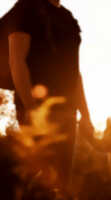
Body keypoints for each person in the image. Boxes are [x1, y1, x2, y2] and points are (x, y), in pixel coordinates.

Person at [7, 0, 94, 189]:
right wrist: (32, 109)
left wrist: (85, 115)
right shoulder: (26, 8)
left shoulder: (68, 18)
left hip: (68, 110)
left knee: (62, 183)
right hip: (39, 108)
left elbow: (74, 71)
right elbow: (17, 61)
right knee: (43, 178)